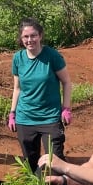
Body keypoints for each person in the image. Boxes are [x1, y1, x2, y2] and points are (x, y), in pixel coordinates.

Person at [9, 18, 73, 172]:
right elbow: (17, 88)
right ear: (21, 38)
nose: (30, 40)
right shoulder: (18, 58)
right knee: (30, 162)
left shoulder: (52, 56)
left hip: (50, 117)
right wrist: (12, 113)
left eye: (33, 35)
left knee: (55, 160)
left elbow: (67, 82)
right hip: (25, 117)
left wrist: (66, 108)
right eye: (26, 37)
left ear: (40, 36)